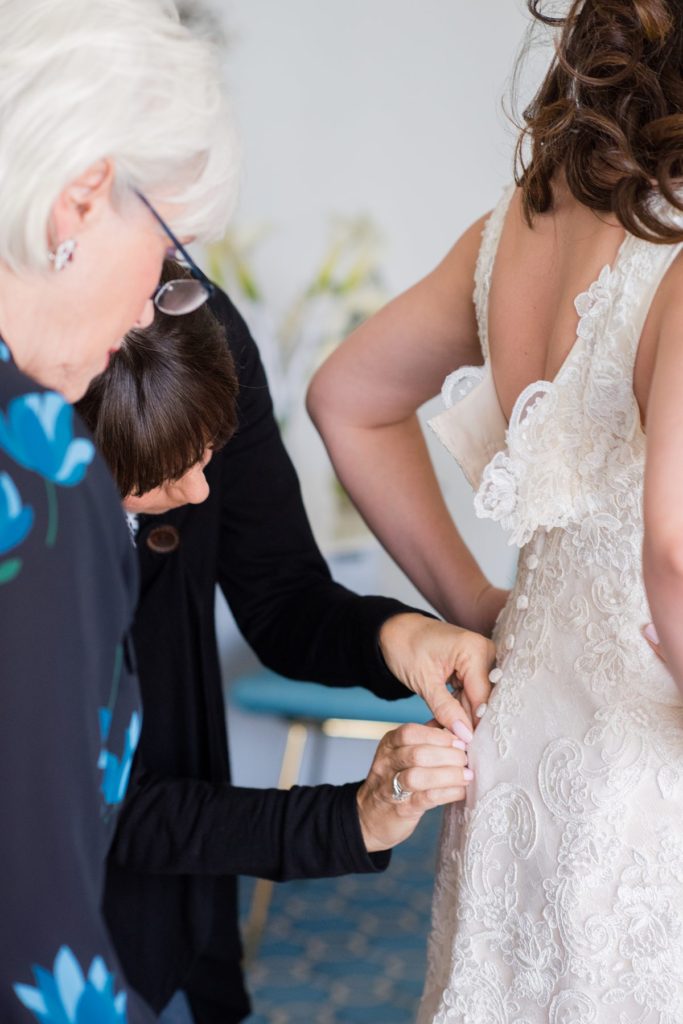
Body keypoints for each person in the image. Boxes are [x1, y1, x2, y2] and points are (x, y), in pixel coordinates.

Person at [307, 1, 683, 1019]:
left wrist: (476, 604)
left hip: (519, 742)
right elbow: (674, 549)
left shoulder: (513, 228)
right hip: (652, 766)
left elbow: (344, 399)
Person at [76, 259, 496, 1024]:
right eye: (165, 479)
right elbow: (110, 807)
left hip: (183, 875)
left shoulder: (201, 332)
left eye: (210, 453)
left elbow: (280, 595)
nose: (202, 494)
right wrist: (353, 819)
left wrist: (395, 635)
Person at [0, 2, 238, 1021]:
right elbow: (38, 958)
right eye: (171, 250)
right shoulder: (41, 471)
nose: (150, 304)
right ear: (81, 200)